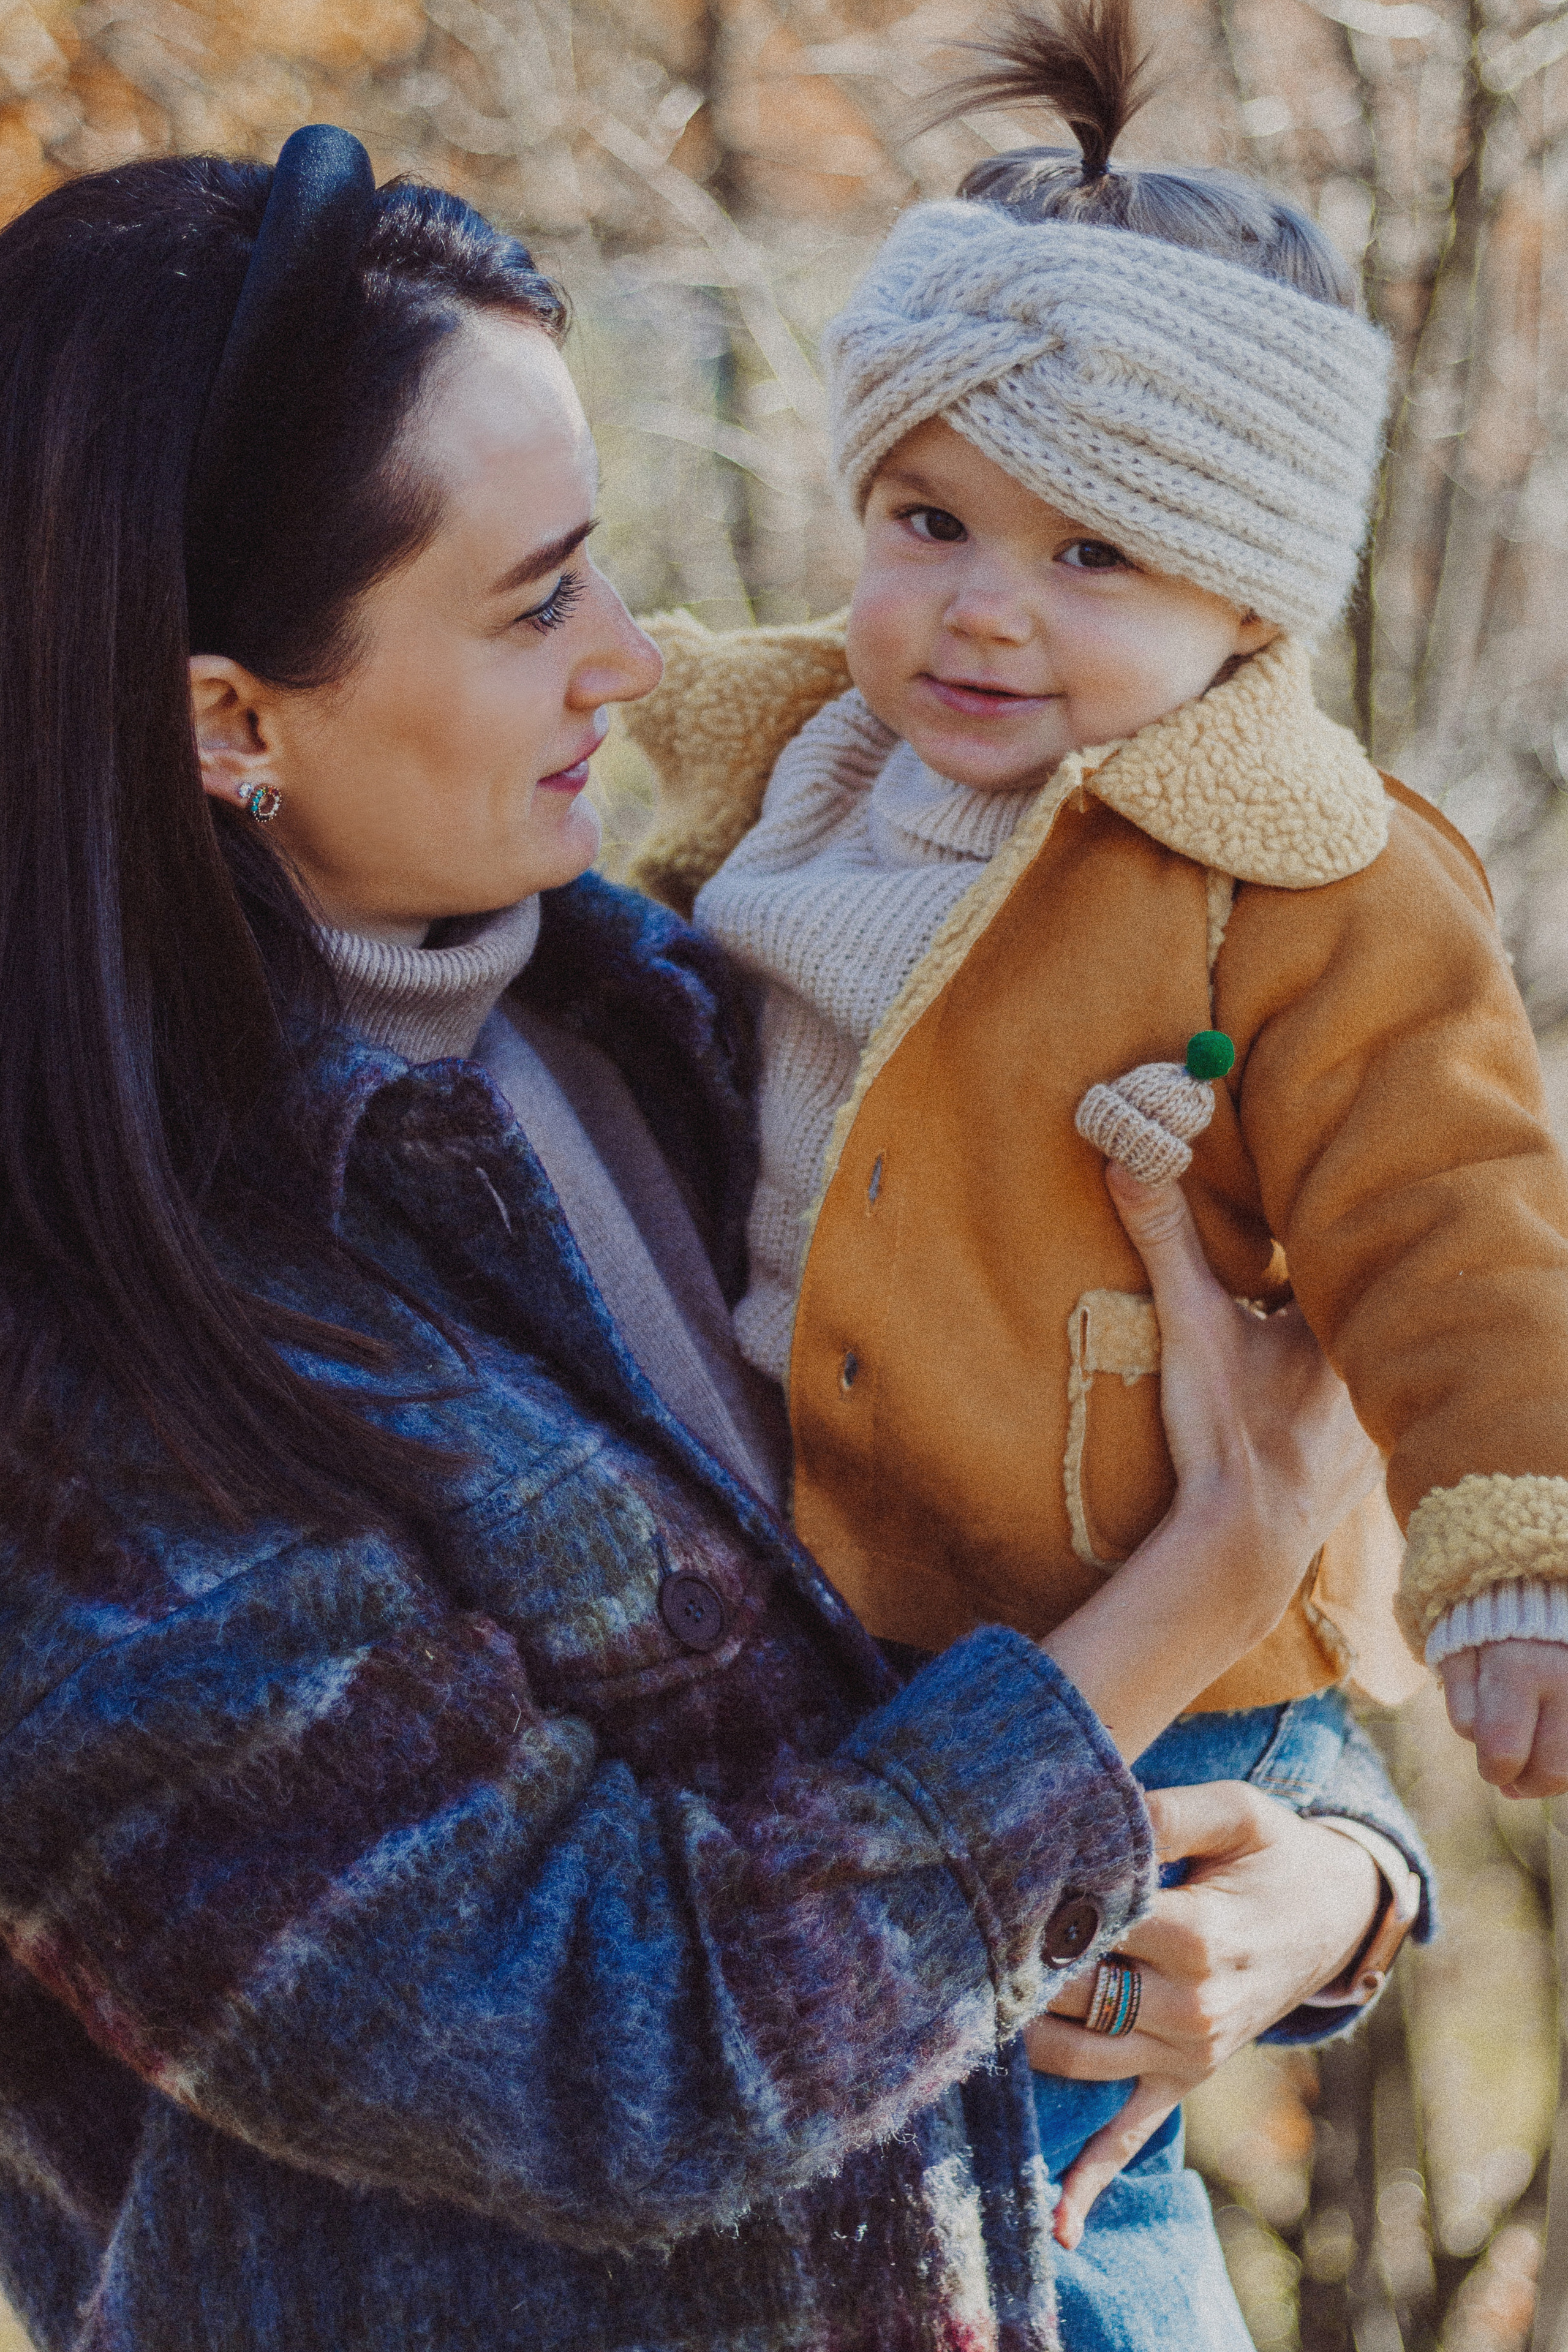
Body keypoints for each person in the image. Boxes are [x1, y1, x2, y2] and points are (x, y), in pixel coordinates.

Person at [0, 126, 1422, 2352]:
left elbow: (1068, 1529)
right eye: (534, 597)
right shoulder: (103, 1387)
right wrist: (1199, 1595)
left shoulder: (698, 1014)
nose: (638, 657)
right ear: (226, 718)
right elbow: (625, 2045)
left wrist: (1326, 1884)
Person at [618, 0, 1568, 2320]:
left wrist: (1513, 1557)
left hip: (1136, 1666)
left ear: (1249, 605)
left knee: (1065, 2185)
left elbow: (1462, 1221)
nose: (985, 608)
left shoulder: (1304, 875)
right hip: (820, 1642)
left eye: (1094, 555)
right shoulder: (781, 781)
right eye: (929, 522)